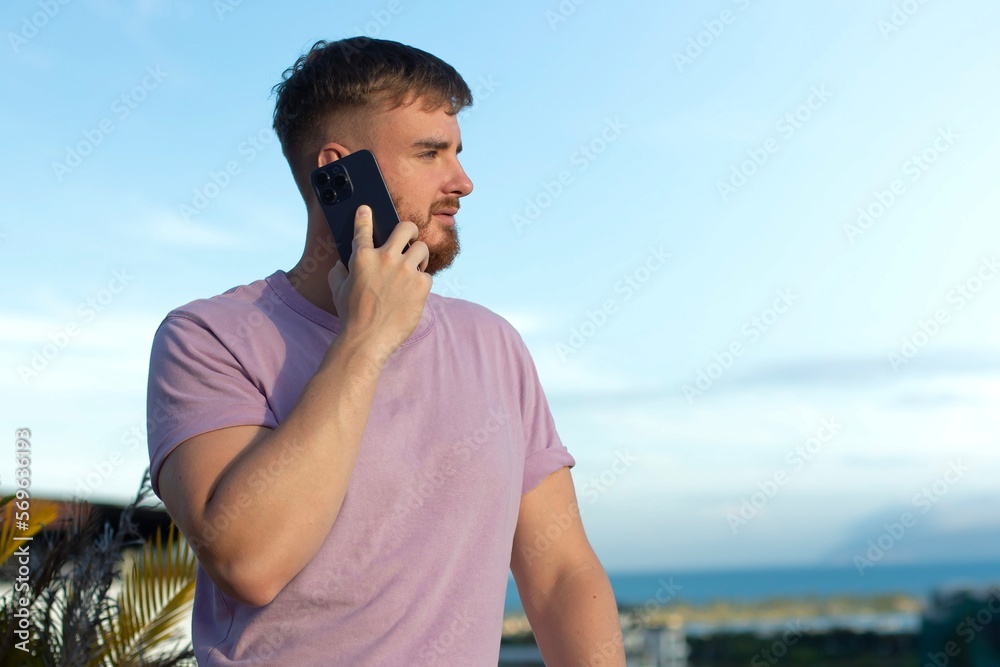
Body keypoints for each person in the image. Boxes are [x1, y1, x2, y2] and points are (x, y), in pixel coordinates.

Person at [145, 36, 625, 665]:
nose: (463, 182)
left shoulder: (493, 343)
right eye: (430, 153)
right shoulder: (207, 337)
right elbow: (249, 562)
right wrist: (365, 341)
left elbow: (560, 571)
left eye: (457, 152)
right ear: (338, 172)